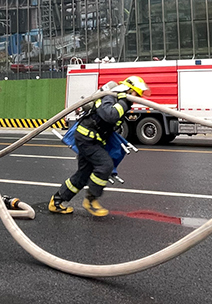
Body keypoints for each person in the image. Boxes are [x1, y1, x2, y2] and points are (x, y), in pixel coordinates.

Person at [48, 75, 149, 217]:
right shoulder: (110, 97)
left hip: (91, 139)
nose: (137, 97)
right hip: (86, 139)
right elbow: (110, 115)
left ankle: (57, 201)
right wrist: (123, 102)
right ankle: (90, 201)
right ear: (128, 90)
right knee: (105, 165)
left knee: (82, 175)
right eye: (136, 93)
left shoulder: (120, 100)